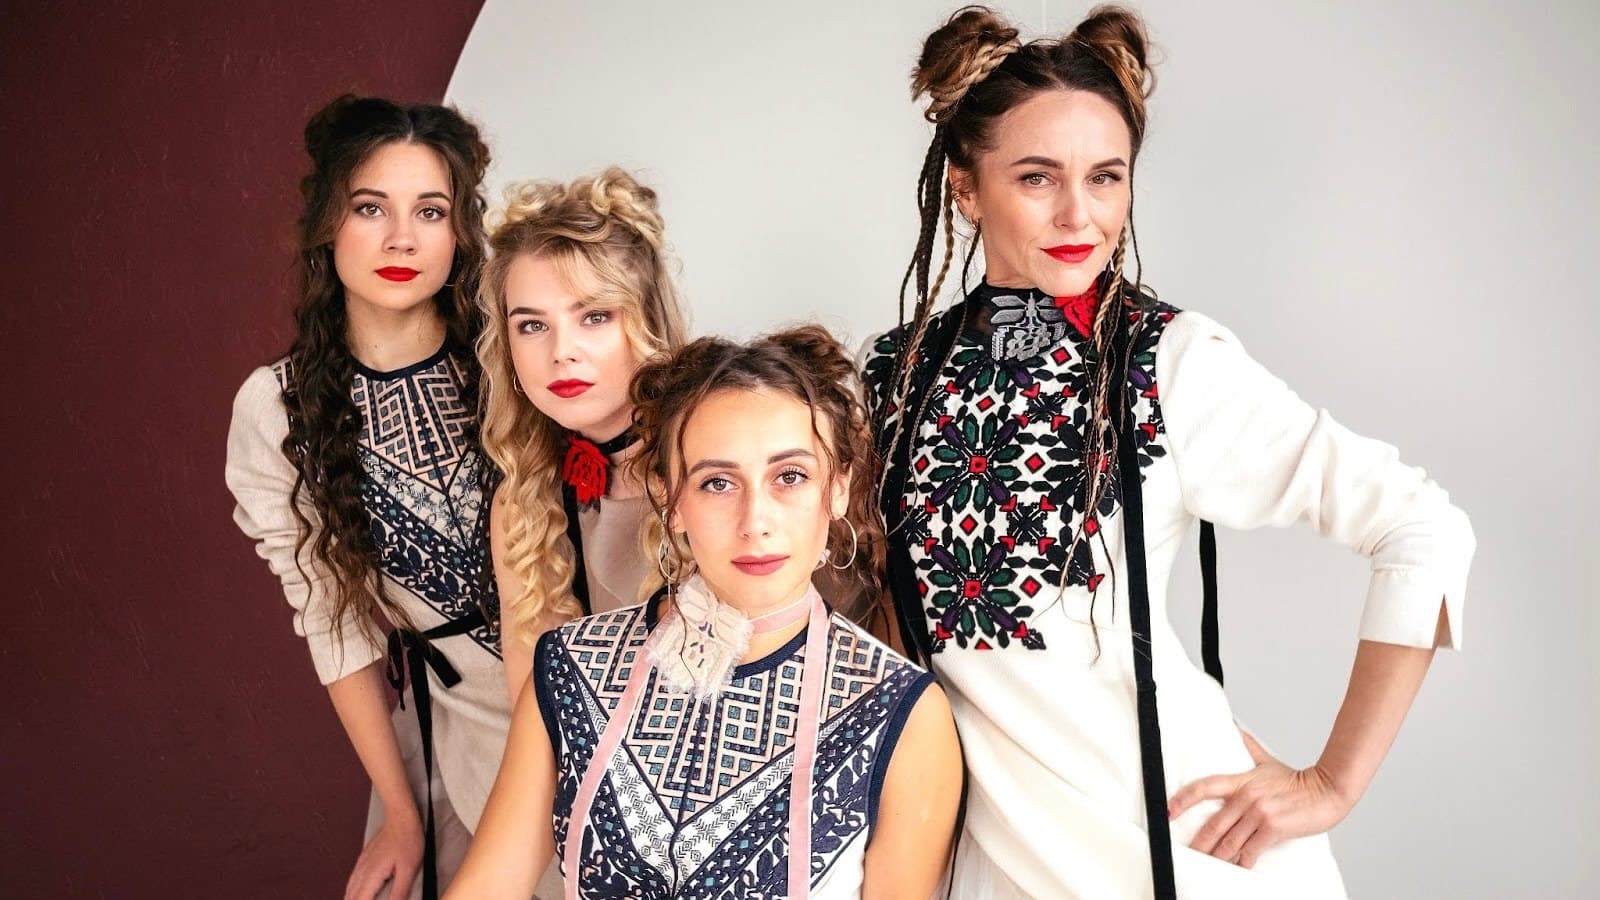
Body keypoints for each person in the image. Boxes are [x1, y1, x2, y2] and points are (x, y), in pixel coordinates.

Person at [861, 6, 1476, 898]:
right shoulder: (896, 372)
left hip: (1192, 861)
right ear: (965, 186)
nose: (1081, 214)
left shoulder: (1169, 363)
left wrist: (1332, 783)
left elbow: (1423, 527)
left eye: (1106, 177)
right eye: (1038, 178)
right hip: (1001, 868)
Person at [448, 327, 964, 899]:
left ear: (837, 489)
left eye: (789, 477)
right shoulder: (572, 667)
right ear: (670, 500)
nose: (754, 520)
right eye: (718, 482)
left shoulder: (901, 713)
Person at [225, 95, 498, 900]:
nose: (402, 238)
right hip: (447, 729)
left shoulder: (516, 362)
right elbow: (331, 619)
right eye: (370, 207)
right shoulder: (276, 409)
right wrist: (403, 814)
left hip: (586, 699)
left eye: (432, 211)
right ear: (326, 225)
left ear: (460, 234)